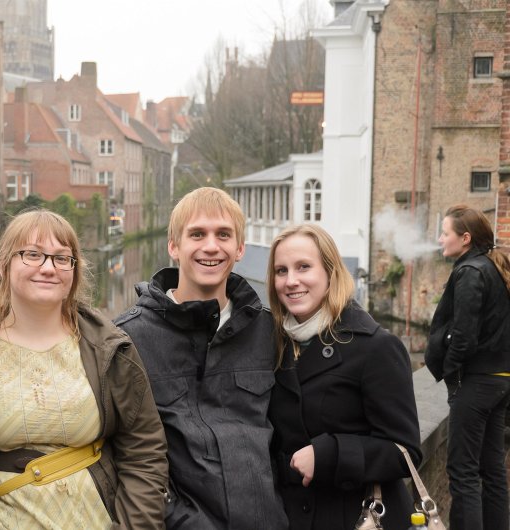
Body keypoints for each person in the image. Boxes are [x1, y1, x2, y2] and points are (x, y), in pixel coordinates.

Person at [0, 209, 169, 529]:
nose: (48, 268)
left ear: (74, 272)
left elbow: (144, 451)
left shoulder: (108, 348)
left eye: (62, 258)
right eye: (32, 254)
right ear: (3, 264)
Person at [114, 187, 288, 529]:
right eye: (197, 234)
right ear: (173, 246)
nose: (211, 246)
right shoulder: (128, 339)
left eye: (223, 235)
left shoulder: (267, 331)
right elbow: (122, 456)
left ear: (239, 248)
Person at [266, 224, 421, 530]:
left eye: (304, 267)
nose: (291, 281)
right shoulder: (273, 344)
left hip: (356, 517)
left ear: (330, 272)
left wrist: (331, 454)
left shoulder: (375, 346)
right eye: (281, 271)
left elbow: (405, 453)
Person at [425, 204, 510, 530]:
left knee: (463, 472)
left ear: (464, 238)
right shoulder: (493, 267)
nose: (440, 239)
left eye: (444, 233)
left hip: (476, 383)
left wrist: (451, 372)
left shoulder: (470, 273)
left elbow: (463, 336)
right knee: (492, 470)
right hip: (500, 380)